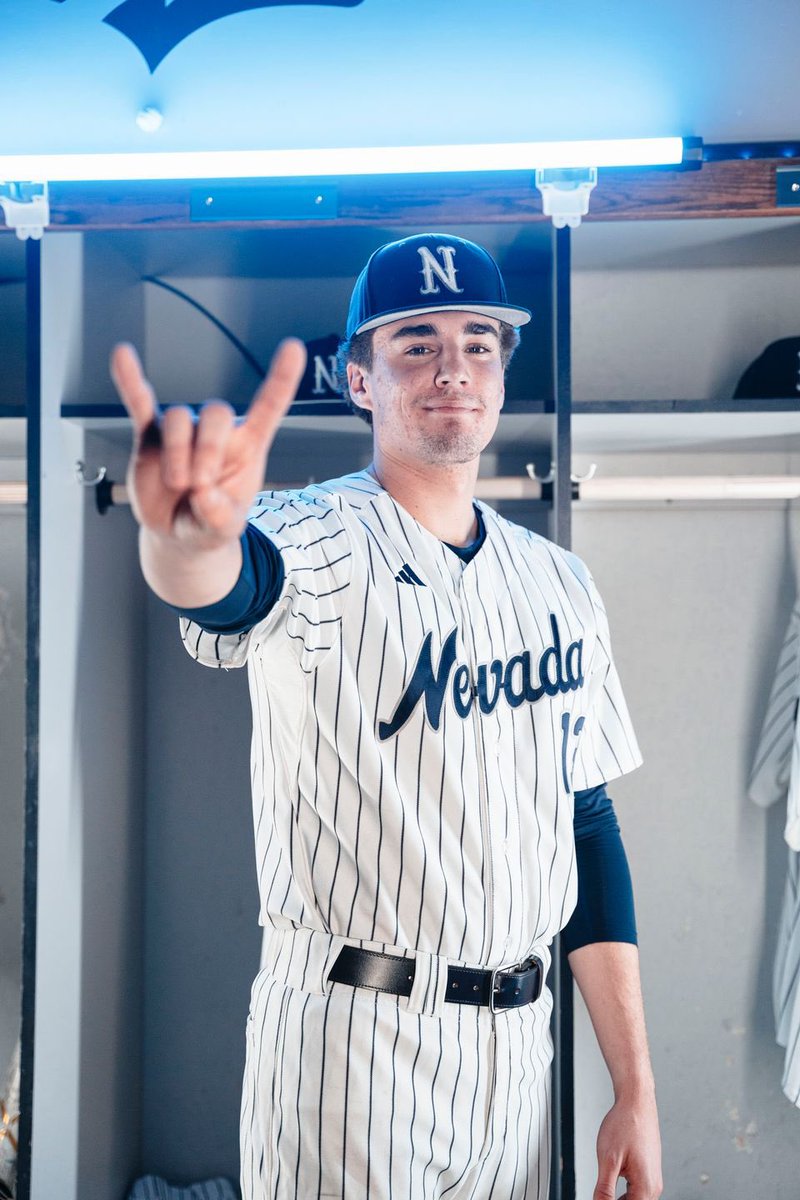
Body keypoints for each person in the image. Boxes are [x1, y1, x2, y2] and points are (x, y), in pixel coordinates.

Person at [111, 233, 662, 1200]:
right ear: (358, 379)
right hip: (352, 1040)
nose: (453, 366)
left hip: (517, 1053)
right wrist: (182, 539)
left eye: (478, 341)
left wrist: (634, 1086)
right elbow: (228, 587)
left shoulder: (560, 582)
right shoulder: (308, 534)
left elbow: (589, 826)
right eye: (414, 342)